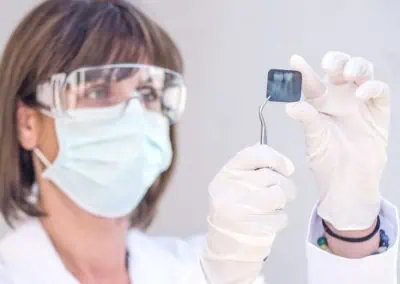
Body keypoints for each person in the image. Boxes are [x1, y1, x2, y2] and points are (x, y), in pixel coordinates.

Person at [0, 0, 397, 283]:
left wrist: (352, 227)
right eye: (99, 91)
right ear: (28, 122)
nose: (136, 116)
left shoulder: (196, 266)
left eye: (150, 94)